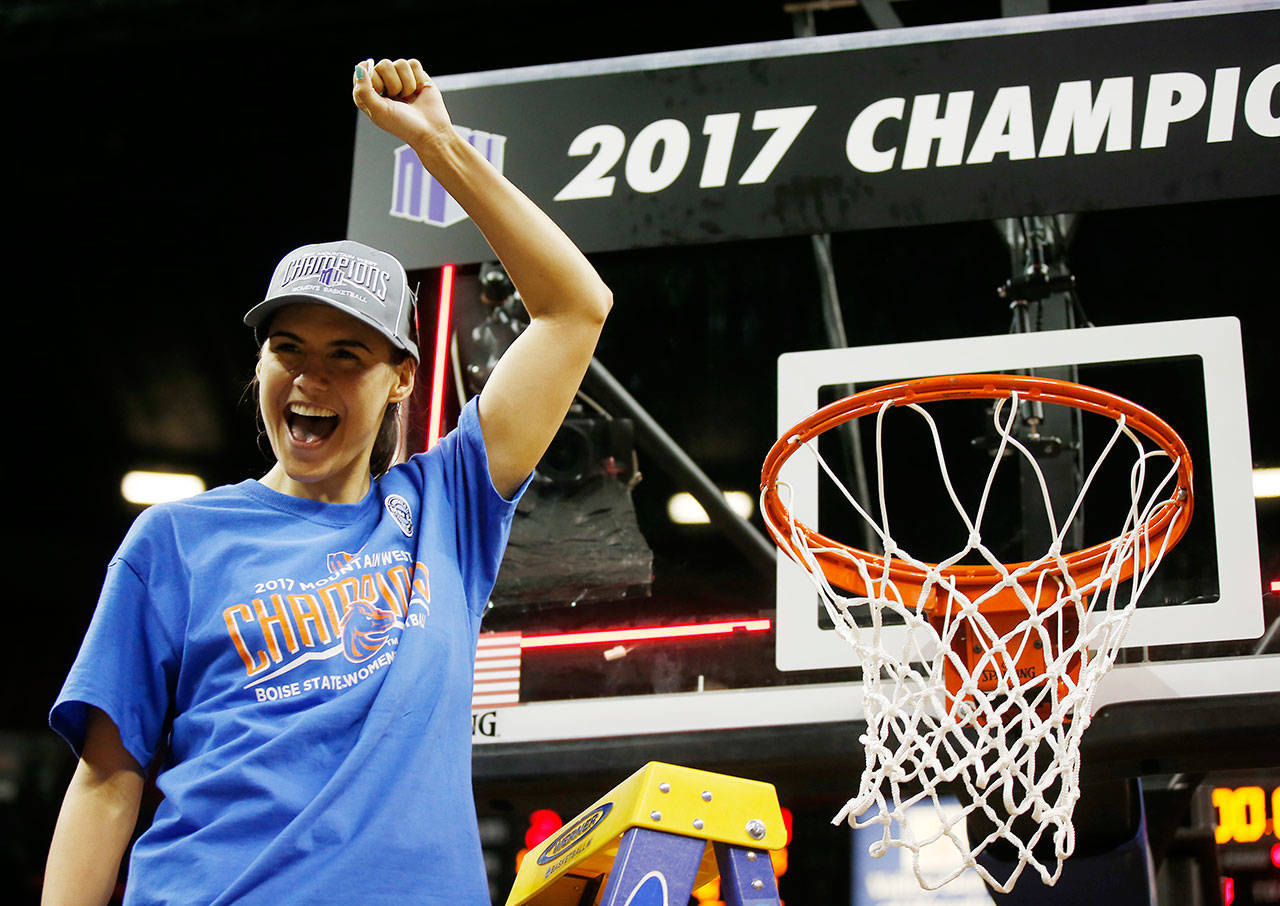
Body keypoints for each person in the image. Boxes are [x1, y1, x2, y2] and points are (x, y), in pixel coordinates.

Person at [41, 57, 611, 905]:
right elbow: (103, 785)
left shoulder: (446, 504)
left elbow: (575, 306)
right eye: (288, 350)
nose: (310, 379)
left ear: (402, 378)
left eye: (346, 355)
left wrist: (437, 144)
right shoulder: (175, 540)